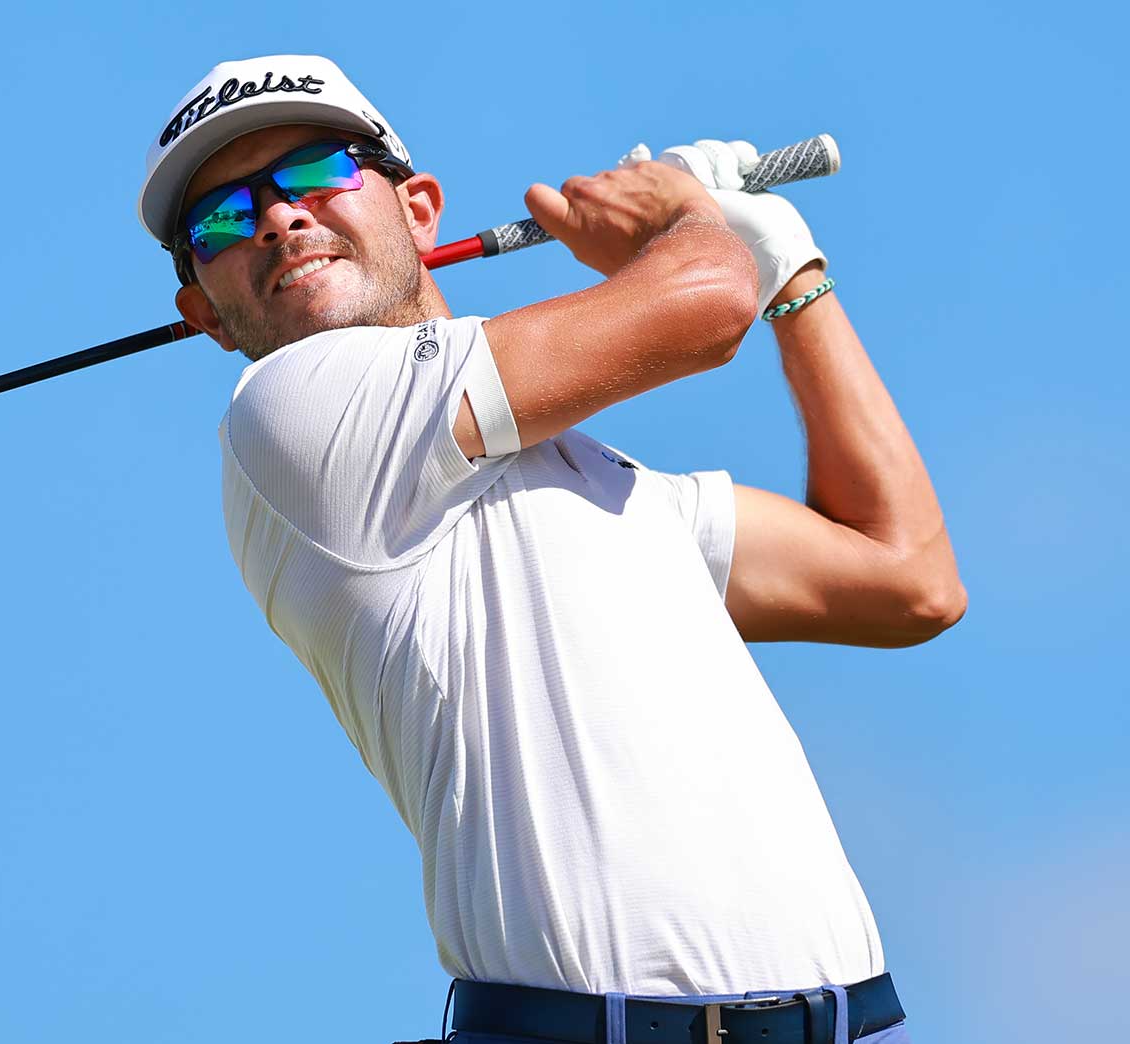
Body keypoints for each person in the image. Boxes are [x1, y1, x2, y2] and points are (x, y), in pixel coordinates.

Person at [136, 56, 965, 1044]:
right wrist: (686, 219)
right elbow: (702, 302)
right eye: (222, 220)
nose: (277, 218)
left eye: (317, 172)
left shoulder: (610, 490)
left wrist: (789, 271)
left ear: (419, 209)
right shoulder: (291, 411)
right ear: (202, 315)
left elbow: (905, 577)